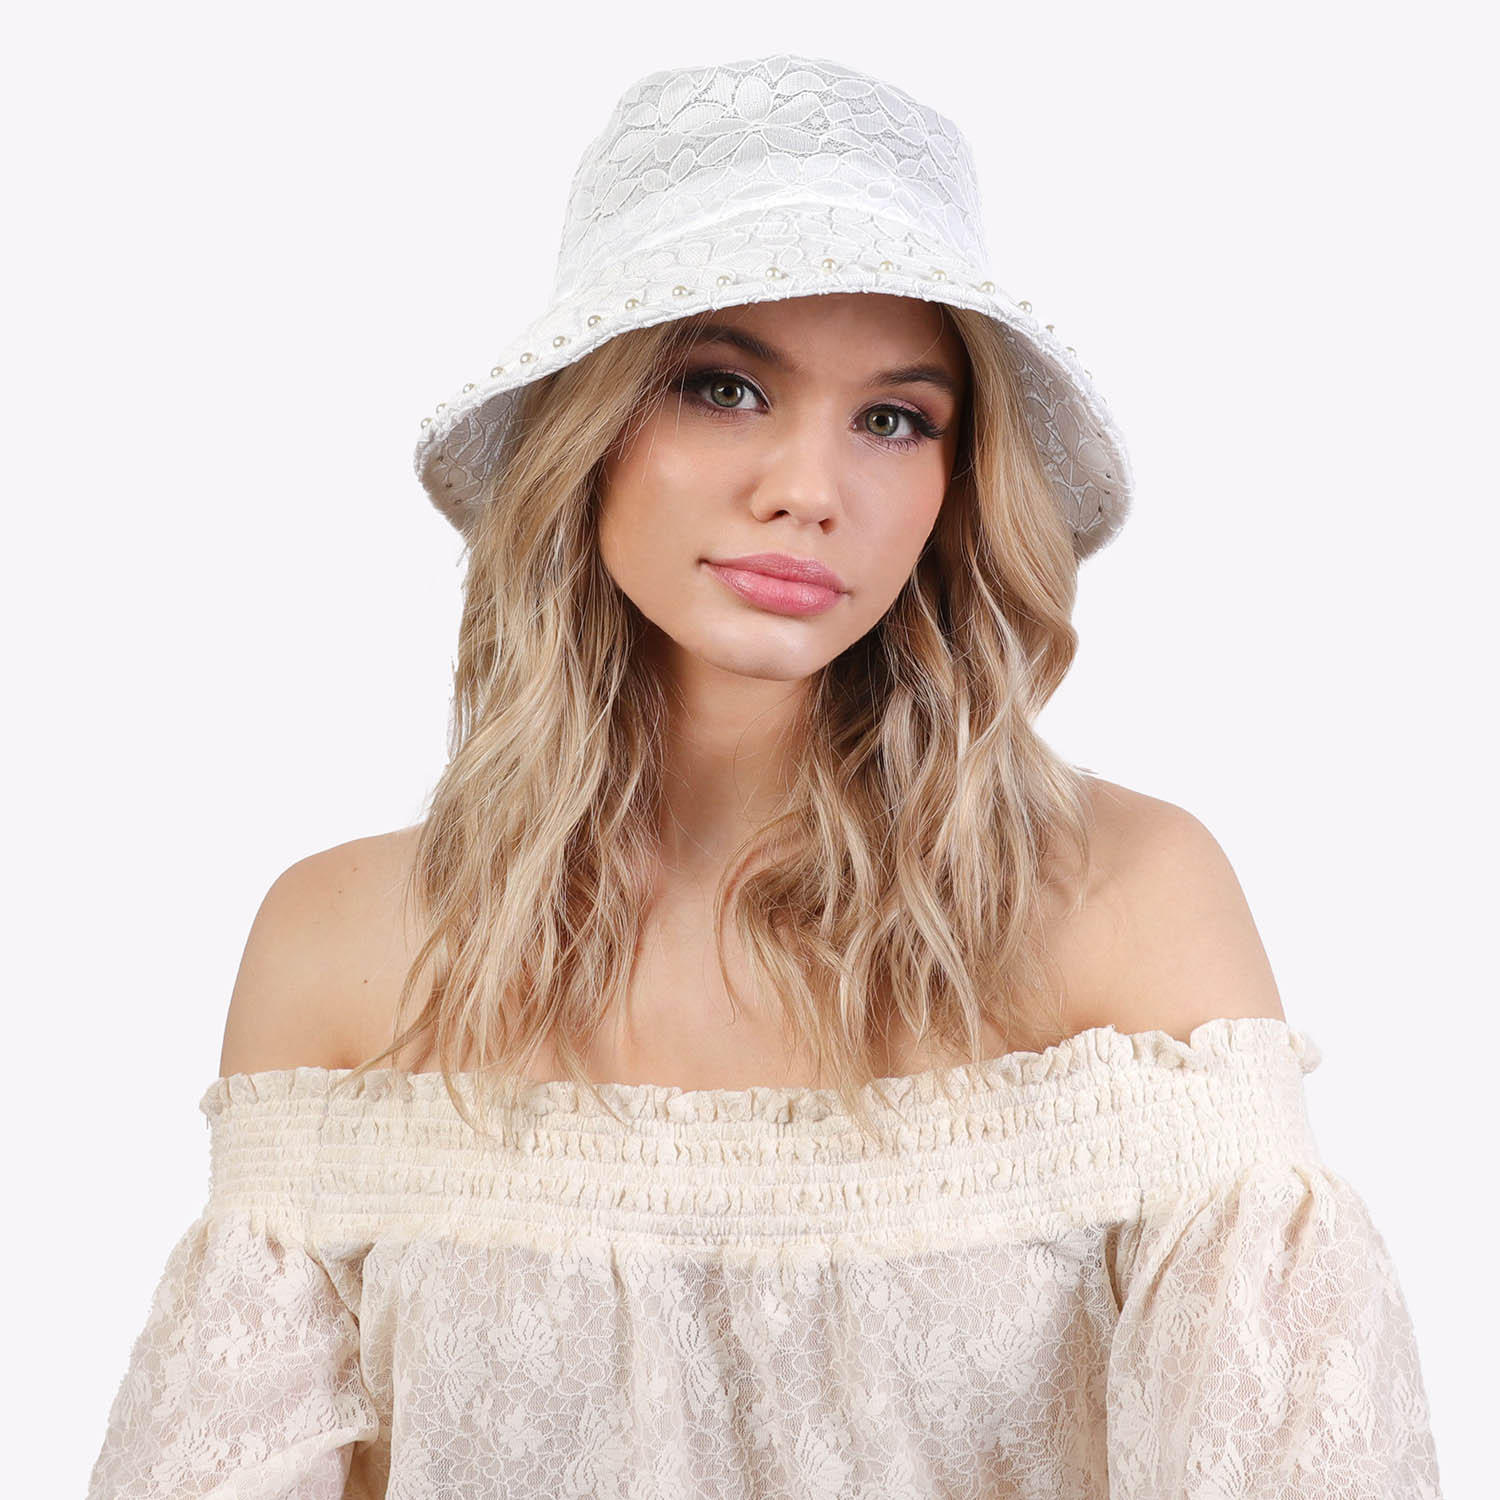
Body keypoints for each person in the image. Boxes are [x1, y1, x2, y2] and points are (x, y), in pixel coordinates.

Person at [86, 52, 1442, 1498]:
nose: (808, 489)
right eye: (723, 387)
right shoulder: (346, 946)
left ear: (957, 483)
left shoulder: (1126, 906)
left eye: (894, 418)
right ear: (586, 434)